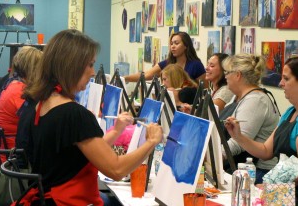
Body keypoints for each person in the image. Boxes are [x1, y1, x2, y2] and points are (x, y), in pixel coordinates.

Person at [15, 29, 163, 205]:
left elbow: (76, 154)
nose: (93, 72)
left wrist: (115, 131)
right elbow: (116, 169)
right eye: (90, 65)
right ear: (72, 66)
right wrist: (152, 141)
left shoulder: (40, 104)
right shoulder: (73, 114)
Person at [224, 56, 298, 186]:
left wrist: (272, 186)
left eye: (286, 78)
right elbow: (265, 151)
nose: (281, 83)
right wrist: (239, 137)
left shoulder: (257, 99)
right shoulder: (289, 113)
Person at [220, 54, 280, 184]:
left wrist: (209, 157)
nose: (225, 76)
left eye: (227, 72)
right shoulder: (238, 97)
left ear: (238, 75)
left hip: (256, 172)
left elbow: (237, 143)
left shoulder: (255, 100)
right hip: (240, 167)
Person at [0, 46, 43, 162]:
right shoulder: (20, 92)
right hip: (13, 157)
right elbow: (38, 120)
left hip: (10, 151)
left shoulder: (12, 84)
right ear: (33, 69)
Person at [124, 31, 206, 85]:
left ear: (186, 46)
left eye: (176, 43)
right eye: (171, 43)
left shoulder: (196, 65)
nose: (173, 46)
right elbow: (146, 75)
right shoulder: (167, 63)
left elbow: (203, 90)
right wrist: (125, 78)